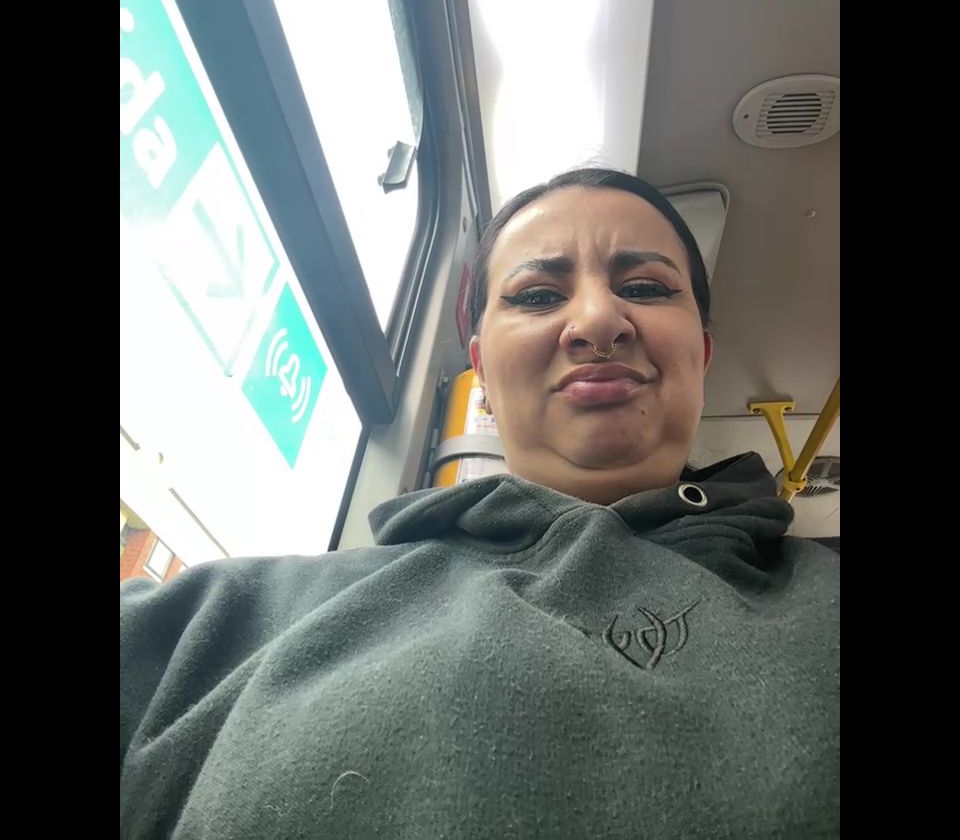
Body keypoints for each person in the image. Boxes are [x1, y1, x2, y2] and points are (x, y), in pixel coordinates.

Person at [120, 167, 839, 839]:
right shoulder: (224, 621)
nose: (597, 320)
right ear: (483, 371)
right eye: (537, 296)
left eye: (646, 287)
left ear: (702, 356)